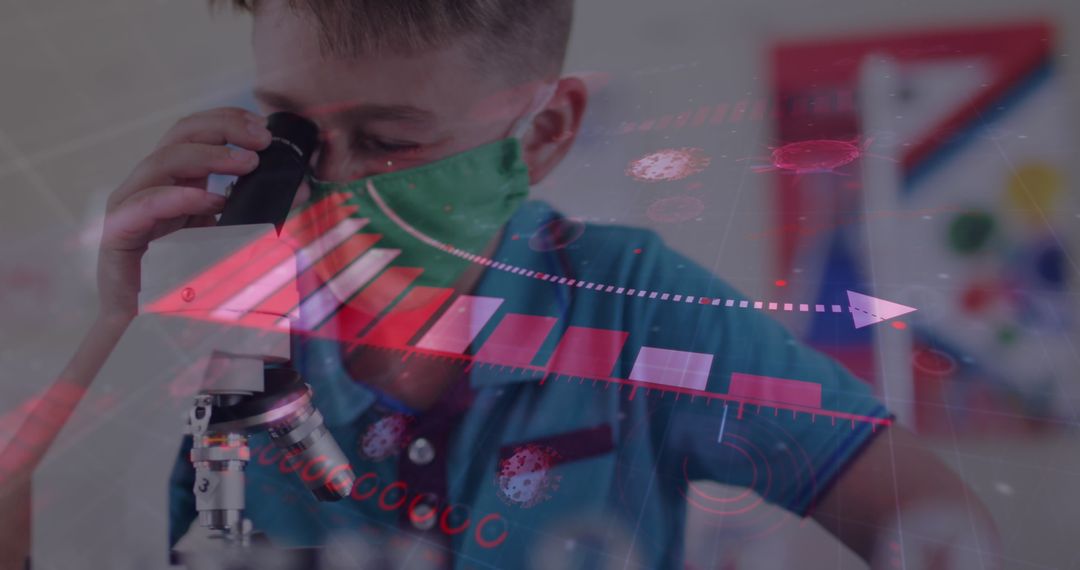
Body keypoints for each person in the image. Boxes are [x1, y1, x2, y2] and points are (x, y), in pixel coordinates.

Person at [0, 1, 999, 568]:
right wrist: (126, 318)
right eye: (294, 132)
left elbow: (927, 516)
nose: (327, 182)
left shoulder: (633, 303)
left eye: (390, 143)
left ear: (548, 132)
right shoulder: (224, 319)